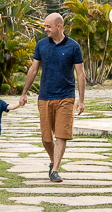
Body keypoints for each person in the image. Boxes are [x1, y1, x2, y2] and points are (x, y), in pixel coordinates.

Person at [19, 12, 85, 183]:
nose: (45, 29)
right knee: (46, 137)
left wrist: (81, 99)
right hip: (45, 96)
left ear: (59, 26)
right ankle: (52, 161)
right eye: (45, 26)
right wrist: (24, 92)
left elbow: (80, 74)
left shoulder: (73, 47)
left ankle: (55, 170)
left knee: (61, 135)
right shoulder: (41, 45)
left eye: (48, 26)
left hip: (66, 96)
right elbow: (33, 70)